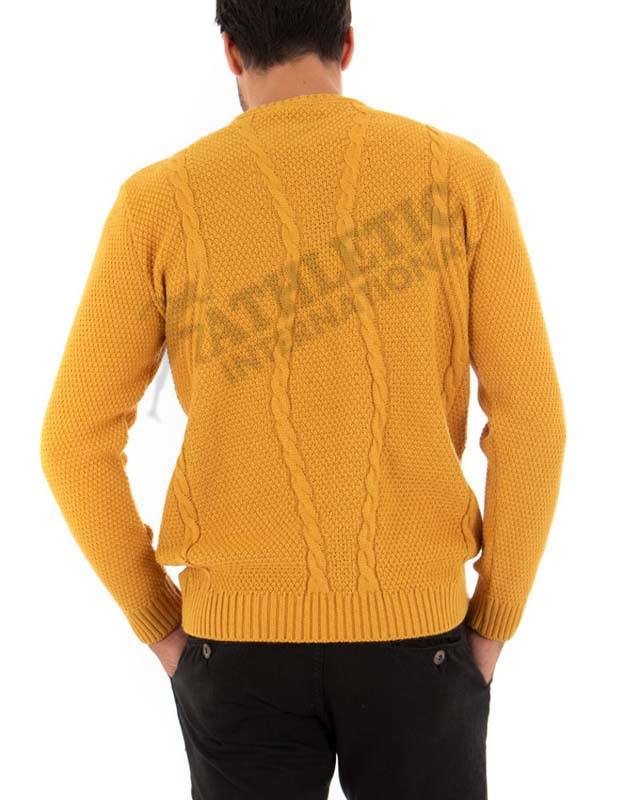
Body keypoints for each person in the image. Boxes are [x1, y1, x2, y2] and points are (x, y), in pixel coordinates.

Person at [39, 2, 567, 797]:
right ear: (347, 41)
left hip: (233, 650)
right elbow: (533, 423)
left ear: (229, 52)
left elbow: (73, 442)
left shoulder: (159, 201)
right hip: (419, 641)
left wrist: (162, 625)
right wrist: (493, 625)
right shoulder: (461, 179)